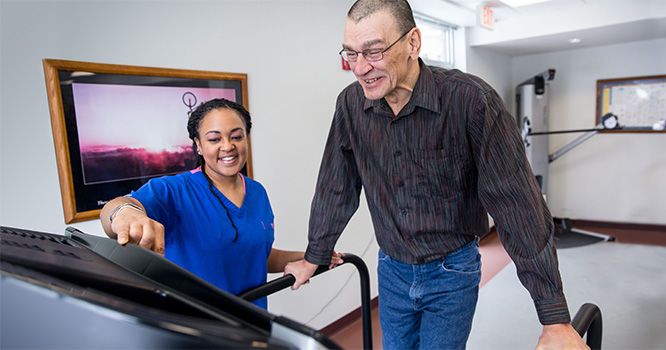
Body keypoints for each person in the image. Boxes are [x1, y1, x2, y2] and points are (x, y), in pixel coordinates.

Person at [284, 1, 589, 349]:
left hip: (452, 271)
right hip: (391, 269)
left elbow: (516, 206)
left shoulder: (472, 102)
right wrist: (316, 254)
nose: (360, 68)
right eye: (351, 54)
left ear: (413, 43)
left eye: (373, 51)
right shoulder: (351, 105)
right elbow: (336, 185)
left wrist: (554, 318)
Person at [100, 98, 342, 310]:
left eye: (237, 136)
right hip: (197, 327)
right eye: (215, 139)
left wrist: (312, 257)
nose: (228, 146)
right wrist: (124, 214)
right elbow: (115, 209)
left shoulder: (257, 192)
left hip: (251, 320)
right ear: (198, 145)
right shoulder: (174, 190)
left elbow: (257, 254)